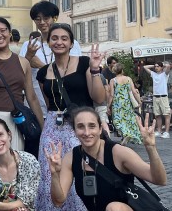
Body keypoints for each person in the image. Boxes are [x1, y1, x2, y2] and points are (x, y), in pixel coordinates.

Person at [34, 23, 105, 211]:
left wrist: (95, 70)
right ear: (48, 42)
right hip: (53, 128)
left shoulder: (83, 63)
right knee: (52, 173)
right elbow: (49, 104)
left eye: (64, 38)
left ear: (71, 43)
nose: (59, 42)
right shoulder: (43, 73)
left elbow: (99, 98)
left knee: (81, 172)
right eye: (54, 38)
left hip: (80, 127)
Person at [46, 107, 167, 211]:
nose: (87, 132)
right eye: (81, 127)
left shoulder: (118, 152)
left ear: (100, 129)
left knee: (113, 208)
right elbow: (58, 201)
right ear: (75, 131)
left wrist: (151, 148)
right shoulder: (71, 157)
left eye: (92, 126)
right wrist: (55, 174)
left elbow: (160, 180)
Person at [0, 17, 44, 161]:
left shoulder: (23, 62)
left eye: (2, 30)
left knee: (15, 166)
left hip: (15, 119)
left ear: (10, 33)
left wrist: (43, 128)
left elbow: (31, 97)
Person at [20, 1, 83, 115]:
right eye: (37, 19)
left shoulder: (70, 44)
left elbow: (76, 72)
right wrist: (28, 57)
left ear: (54, 18)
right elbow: (19, 74)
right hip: (36, 105)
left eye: (46, 18)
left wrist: (42, 66)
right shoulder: (28, 45)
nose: (42, 22)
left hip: (66, 105)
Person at [109, 63, 142, 145]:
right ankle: (127, 135)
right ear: (122, 70)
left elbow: (111, 95)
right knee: (128, 120)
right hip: (127, 103)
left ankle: (125, 134)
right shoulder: (128, 79)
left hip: (117, 103)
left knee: (117, 120)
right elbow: (134, 91)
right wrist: (139, 101)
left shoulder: (113, 80)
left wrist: (108, 105)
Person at [143, 62, 172, 139]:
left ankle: (166, 132)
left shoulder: (165, 74)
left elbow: (168, 66)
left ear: (162, 67)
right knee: (157, 115)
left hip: (163, 96)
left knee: (166, 115)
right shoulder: (153, 74)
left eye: (158, 66)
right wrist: (153, 65)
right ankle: (159, 131)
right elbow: (145, 67)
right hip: (155, 97)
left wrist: (162, 65)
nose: (156, 68)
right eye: (155, 66)